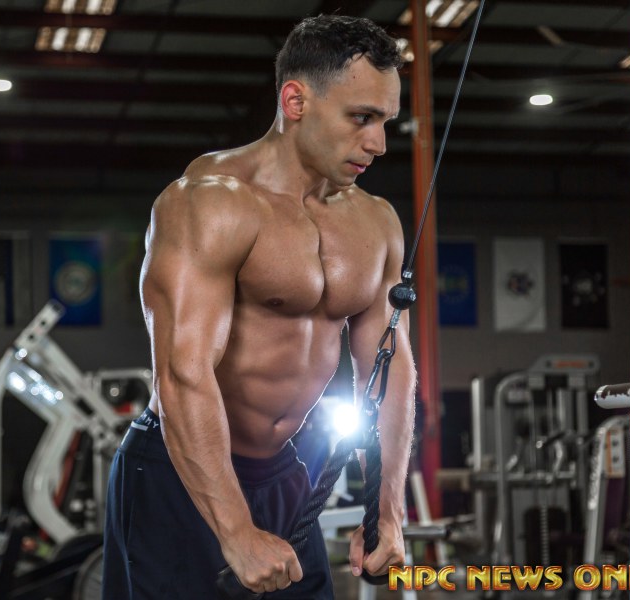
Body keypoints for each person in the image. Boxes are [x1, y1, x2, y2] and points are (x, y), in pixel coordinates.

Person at [103, 14, 417, 599]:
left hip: (282, 473)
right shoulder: (210, 203)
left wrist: (387, 508)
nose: (377, 143)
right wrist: (235, 530)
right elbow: (183, 371)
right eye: (361, 118)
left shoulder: (376, 222)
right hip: (178, 472)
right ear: (295, 101)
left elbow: (390, 366)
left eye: (385, 122)